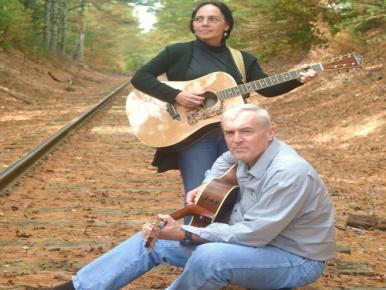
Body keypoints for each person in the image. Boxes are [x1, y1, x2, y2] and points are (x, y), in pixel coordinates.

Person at [49, 104, 335, 290]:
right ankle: (80, 286)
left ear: (271, 133)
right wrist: (209, 184)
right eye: (230, 132)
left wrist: (185, 234)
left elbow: (253, 235)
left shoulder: (289, 172)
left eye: (246, 131)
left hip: (294, 259)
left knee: (212, 256)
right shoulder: (242, 152)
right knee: (156, 235)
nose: (237, 139)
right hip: (255, 244)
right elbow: (224, 161)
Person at [130, 0, 318, 197]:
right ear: (193, 24)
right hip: (193, 136)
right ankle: (195, 230)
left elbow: (267, 88)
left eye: (213, 19)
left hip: (235, 136)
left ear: (226, 25)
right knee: (200, 199)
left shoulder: (241, 59)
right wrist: (177, 95)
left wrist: (297, 79)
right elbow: (141, 77)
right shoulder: (178, 52)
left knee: (234, 197)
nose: (204, 23)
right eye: (199, 19)